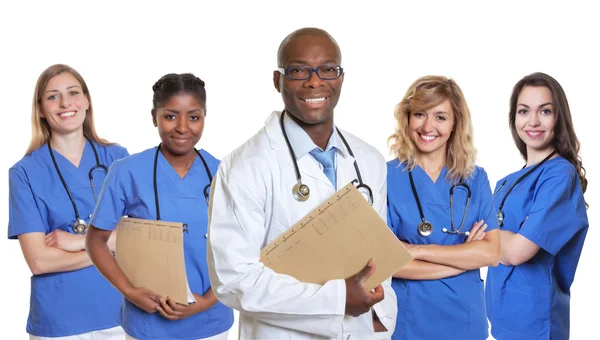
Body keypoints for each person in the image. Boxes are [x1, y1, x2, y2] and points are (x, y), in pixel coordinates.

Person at [206, 27, 397, 340]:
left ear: (341, 78)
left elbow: (378, 254)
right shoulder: (243, 167)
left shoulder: (368, 160)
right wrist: (337, 300)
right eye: (298, 70)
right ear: (277, 80)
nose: (314, 81)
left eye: (327, 69)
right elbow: (233, 279)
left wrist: (380, 316)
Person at [85, 73, 233, 340]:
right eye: (170, 116)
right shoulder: (126, 172)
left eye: (194, 116)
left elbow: (241, 249)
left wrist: (207, 301)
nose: (183, 127)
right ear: (154, 117)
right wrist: (130, 292)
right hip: (148, 324)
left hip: (210, 322)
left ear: (204, 117)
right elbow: (96, 241)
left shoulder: (223, 174)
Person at [8, 64, 129, 339]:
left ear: (86, 100)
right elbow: (40, 260)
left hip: (121, 311)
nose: (65, 103)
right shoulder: (24, 173)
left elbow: (139, 237)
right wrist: (108, 244)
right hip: (59, 320)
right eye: (53, 96)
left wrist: (76, 241)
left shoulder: (117, 158)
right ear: (39, 108)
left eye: (73, 92)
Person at [386, 75, 500, 340]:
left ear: (454, 123)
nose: (428, 126)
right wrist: (463, 260)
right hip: (408, 320)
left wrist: (414, 250)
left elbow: (491, 253)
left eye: (440, 117)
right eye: (420, 114)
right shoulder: (386, 177)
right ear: (407, 119)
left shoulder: (475, 178)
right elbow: (387, 262)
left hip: (465, 321)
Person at [485, 72, 588, 340]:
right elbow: (490, 247)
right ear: (514, 119)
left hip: (536, 323)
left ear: (559, 118)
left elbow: (519, 251)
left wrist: (485, 235)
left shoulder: (559, 175)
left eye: (544, 111)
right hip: (502, 320)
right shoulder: (506, 182)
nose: (532, 121)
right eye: (523, 111)